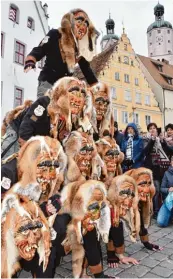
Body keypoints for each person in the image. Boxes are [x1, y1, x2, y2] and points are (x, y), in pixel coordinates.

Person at [24, 9, 99, 97]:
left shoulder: (80, 49)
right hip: (48, 83)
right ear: (70, 22)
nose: (82, 26)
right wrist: (31, 59)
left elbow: (86, 70)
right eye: (79, 21)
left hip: (63, 88)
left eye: (86, 24)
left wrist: (97, 88)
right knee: (45, 107)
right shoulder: (56, 34)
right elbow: (41, 49)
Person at [143, 122, 173, 218]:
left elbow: (169, 151)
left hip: (162, 170)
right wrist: (152, 140)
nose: (152, 129)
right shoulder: (146, 140)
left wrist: (163, 141)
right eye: (150, 128)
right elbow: (146, 151)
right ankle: (156, 212)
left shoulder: (160, 141)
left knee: (163, 190)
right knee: (156, 191)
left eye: (154, 128)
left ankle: (165, 210)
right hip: (153, 170)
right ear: (148, 131)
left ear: (156, 130)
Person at [157, 156, 173, 227]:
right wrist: (168, 189)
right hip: (169, 201)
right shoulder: (166, 173)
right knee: (161, 222)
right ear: (171, 163)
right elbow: (161, 188)